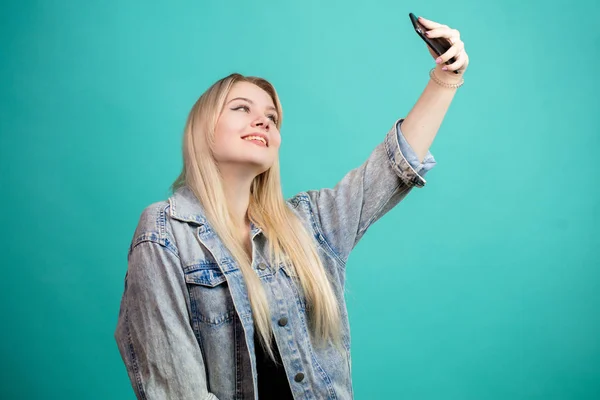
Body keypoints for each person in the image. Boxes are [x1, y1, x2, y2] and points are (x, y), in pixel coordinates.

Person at [114, 15, 470, 400]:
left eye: (271, 117)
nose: (262, 122)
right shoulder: (164, 232)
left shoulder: (309, 224)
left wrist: (445, 78)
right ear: (204, 128)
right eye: (241, 108)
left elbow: (390, 168)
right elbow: (176, 389)